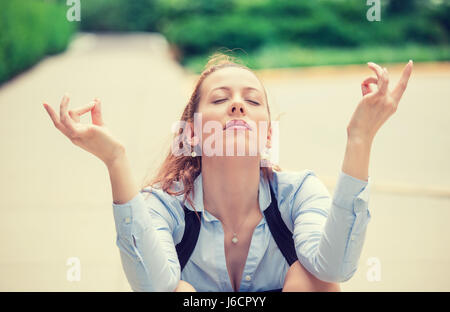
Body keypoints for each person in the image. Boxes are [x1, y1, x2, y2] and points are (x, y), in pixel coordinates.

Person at [43, 53, 413, 292]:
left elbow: (337, 267)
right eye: (220, 99)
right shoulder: (165, 205)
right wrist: (115, 158)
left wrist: (360, 138)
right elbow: (151, 284)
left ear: (268, 133)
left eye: (252, 101)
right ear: (190, 133)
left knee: (313, 281)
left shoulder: (298, 193)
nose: (237, 105)